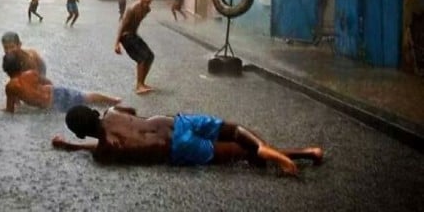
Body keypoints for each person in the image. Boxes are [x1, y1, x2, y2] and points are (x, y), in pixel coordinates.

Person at [51, 105, 324, 176]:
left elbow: (97, 148)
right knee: (236, 131)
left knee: (238, 153)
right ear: (94, 112)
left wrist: (72, 146)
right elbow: (133, 113)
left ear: (80, 133)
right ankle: (265, 149)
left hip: (179, 149)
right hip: (175, 122)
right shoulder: (113, 113)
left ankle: (305, 153)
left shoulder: (107, 150)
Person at [0, 55, 121, 113]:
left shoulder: (10, 87)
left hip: (51, 105)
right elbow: (48, 82)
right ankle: (114, 100)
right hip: (56, 91)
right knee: (87, 98)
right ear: (20, 65)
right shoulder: (31, 73)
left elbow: (10, 110)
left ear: (5, 69)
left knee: (82, 108)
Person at [115, 0, 156, 94]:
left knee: (150, 56)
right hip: (126, 36)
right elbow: (122, 25)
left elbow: (136, 23)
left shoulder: (147, 9)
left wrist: (135, 35)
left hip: (133, 35)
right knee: (142, 57)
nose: (147, 0)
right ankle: (139, 85)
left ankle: (142, 83)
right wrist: (116, 43)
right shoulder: (133, 8)